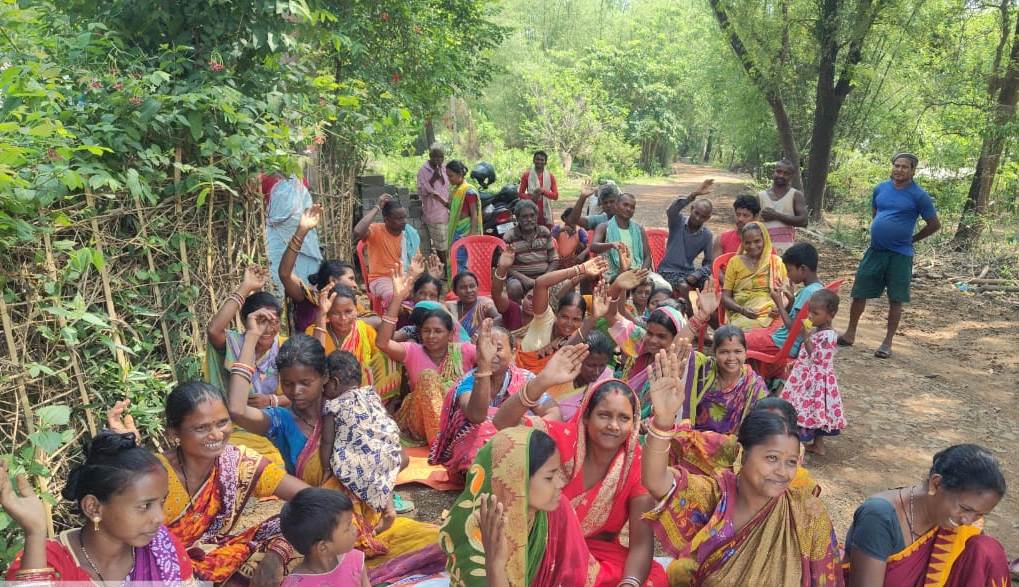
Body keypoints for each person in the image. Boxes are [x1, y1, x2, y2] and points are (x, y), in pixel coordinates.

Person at [642, 347, 843, 586]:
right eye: (771, 458)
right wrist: (663, 421)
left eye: (791, 462)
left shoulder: (807, 514)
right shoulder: (717, 496)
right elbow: (656, 481)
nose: (782, 472)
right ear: (743, 454)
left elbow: (826, 580)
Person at [492, 350, 669, 586]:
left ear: (634, 423)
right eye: (604, 415)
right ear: (586, 417)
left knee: (653, 578)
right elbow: (503, 424)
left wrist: (630, 583)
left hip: (595, 553)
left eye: (624, 419)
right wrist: (542, 381)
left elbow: (641, 542)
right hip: (543, 545)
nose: (614, 426)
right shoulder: (560, 439)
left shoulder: (635, 463)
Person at [107, 381, 308, 585]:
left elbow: (311, 499)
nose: (217, 434)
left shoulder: (238, 463)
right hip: (160, 570)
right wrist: (126, 456)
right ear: (174, 433)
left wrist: (277, 553)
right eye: (202, 428)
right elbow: (119, 533)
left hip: (212, 559)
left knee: (294, 532)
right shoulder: (154, 473)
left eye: (222, 423)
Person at [3, 432, 196, 585]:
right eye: (145, 506)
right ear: (94, 507)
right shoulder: (50, 560)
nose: (159, 517)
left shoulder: (162, 548)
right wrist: (35, 533)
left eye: (161, 502)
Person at [439, 427, 603, 586]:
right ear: (517, 479)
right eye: (549, 477)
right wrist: (495, 563)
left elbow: (576, 577)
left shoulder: (557, 511)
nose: (559, 484)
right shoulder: (475, 532)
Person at [843, 444, 1008, 586]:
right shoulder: (879, 517)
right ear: (936, 484)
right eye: (965, 508)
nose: (967, 520)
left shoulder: (960, 524)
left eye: (979, 514)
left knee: (987, 550)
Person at [839, 152, 941, 359]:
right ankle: (850, 333)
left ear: (913, 171)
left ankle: (887, 342)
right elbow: (876, 213)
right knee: (859, 291)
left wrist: (911, 239)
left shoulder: (919, 195)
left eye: (905, 167)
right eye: (897, 165)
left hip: (900, 255)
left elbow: (934, 224)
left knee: (896, 298)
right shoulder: (880, 188)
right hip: (875, 251)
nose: (899, 170)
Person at [429, 319, 559, 481]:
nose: (491, 354)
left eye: (497, 348)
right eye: (485, 348)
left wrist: (526, 428)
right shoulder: (468, 382)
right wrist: (484, 366)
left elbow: (553, 412)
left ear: (513, 352)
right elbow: (476, 416)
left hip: (516, 445)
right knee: (475, 423)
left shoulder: (525, 379)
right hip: (475, 456)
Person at [377, 267, 478, 443]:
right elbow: (383, 343)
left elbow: (494, 364)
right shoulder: (413, 351)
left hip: (457, 421)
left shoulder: (464, 350)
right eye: (426, 331)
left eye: (438, 331)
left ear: (450, 333)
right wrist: (398, 298)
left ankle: (447, 437)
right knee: (428, 378)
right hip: (418, 423)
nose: (431, 336)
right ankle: (441, 442)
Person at [593, 271, 699, 421]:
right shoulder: (640, 341)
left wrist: (701, 316)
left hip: (651, 423)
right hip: (620, 411)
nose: (653, 340)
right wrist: (617, 287)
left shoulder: (674, 360)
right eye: (650, 333)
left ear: (675, 338)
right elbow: (611, 315)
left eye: (662, 336)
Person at [319, 351, 402, 538]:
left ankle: (362, 529)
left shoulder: (334, 405)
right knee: (382, 476)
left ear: (335, 382)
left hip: (362, 457)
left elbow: (327, 441)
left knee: (349, 473)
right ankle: (388, 510)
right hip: (387, 449)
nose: (323, 390)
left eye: (325, 385)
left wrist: (325, 468)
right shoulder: (371, 395)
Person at [514, 257, 609, 374]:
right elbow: (540, 283)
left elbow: (567, 349)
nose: (569, 324)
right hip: (514, 375)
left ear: (582, 321)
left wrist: (595, 316)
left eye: (575, 319)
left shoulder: (579, 337)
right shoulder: (545, 320)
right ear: (556, 314)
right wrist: (581, 269)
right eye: (564, 317)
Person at [279, 203, 364, 332]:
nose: (355, 285)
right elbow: (285, 274)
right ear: (333, 281)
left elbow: (375, 321)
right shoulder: (310, 300)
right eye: (351, 279)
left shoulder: (354, 306)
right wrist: (302, 230)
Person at [780, 289, 844, 455]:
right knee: (814, 410)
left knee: (809, 409)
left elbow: (817, 357)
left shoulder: (829, 336)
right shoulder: (817, 330)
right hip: (806, 377)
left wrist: (806, 337)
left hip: (814, 382)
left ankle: (797, 444)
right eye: (809, 311)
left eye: (815, 313)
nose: (810, 316)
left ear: (830, 315)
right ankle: (817, 445)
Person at [307, 283, 393, 396]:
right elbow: (314, 364)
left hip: (362, 394)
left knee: (389, 361)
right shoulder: (314, 331)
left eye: (348, 311)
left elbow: (379, 363)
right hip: (325, 395)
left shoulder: (365, 331)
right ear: (328, 312)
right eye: (335, 313)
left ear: (357, 309)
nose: (343, 318)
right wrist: (321, 314)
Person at [744, 242, 823, 361]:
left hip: (782, 344)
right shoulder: (818, 287)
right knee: (753, 331)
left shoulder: (808, 292)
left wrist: (779, 303)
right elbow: (799, 319)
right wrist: (791, 300)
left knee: (737, 340)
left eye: (789, 270)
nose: (787, 274)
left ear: (802, 269)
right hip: (785, 339)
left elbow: (793, 328)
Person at [280, 488, 370, 587]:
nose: (355, 529)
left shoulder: (355, 560)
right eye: (347, 527)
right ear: (323, 547)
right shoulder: (296, 584)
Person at [353, 193, 420, 311]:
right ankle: (392, 326)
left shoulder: (409, 235)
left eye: (404, 217)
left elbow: (417, 263)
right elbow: (358, 232)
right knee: (394, 296)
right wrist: (377, 207)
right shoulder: (375, 230)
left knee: (425, 292)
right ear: (387, 220)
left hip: (405, 276)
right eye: (399, 218)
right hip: (381, 279)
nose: (404, 221)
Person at [659, 179, 715, 311]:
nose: (697, 218)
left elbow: (709, 263)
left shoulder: (707, 235)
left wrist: (697, 274)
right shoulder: (677, 222)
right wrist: (693, 195)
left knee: (710, 285)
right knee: (684, 287)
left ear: (707, 218)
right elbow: (672, 210)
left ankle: (710, 320)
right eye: (696, 213)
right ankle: (692, 321)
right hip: (668, 271)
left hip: (689, 273)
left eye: (703, 216)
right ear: (691, 209)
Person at [721, 221, 788, 329]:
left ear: (765, 240)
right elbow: (725, 297)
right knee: (741, 327)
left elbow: (786, 295)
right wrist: (742, 310)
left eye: (757, 241)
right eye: (747, 242)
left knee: (783, 329)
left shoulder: (776, 262)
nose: (752, 246)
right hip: (743, 312)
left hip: (771, 312)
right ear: (742, 243)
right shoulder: (735, 262)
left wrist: (779, 308)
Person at [545, 330, 615, 421]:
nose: (597, 372)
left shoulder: (605, 378)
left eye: (602, 366)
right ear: (577, 359)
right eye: (591, 365)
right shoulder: (558, 377)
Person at [503, 199, 560, 301]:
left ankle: (555, 314)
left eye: (532, 215)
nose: (529, 219)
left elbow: (554, 260)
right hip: (521, 279)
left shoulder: (544, 232)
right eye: (524, 216)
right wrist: (525, 279)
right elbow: (505, 266)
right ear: (517, 218)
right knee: (514, 287)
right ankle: (519, 314)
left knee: (567, 285)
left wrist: (544, 278)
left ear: (536, 216)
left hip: (545, 275)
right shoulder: (510, 237)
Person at [592, 193, 651, 281]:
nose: (628, 209)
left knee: (664, 287)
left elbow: (647, 256)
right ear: (616, 205)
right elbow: (593, 247)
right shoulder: (604, 227)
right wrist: (610, 245)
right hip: (615, 274)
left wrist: (642, 273)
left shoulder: (639, 229)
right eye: (625, 205)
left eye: (632, 207)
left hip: (638, 273)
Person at [759, 159, 808, 254]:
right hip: (762, 251)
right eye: (779, 171)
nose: (781, 175)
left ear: (792, 176)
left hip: (786, 252)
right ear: (774, 172)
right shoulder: (761, 196)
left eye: (786, 173)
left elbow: (804, 221)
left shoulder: (796, 195)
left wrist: (776, 215)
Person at [445, 160, 483, 272]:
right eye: (448, 176)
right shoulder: (456, 190)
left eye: (451, 176)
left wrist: (471, 234)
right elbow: (453, 209)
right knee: (455, 259)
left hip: (465, 231)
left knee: (460, 260)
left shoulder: (468, 191)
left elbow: (474, 214)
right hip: (457, 230)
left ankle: (461, 285)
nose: (449, 179)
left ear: (460, 174)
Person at [416, 143, 451, 265]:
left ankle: (447, 267)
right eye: (435, 157)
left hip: (447, 212)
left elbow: (448, 186)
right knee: (441, 246)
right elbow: (422, 191)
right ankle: (446, 268)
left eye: (440, 157)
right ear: (430, 156)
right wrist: (433, 178)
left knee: (447, 243)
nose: (438, 160)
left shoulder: (445, 168)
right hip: (435, 214)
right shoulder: (423, 171)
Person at [445, 270, 502, 339]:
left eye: (472, 286)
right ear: (455, 291)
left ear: (477, 287)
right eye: (463, 287)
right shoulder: (450, 307)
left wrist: (480, 332)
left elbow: (499, 318)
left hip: (479, 346)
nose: (468, 290)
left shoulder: (484, 303)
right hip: (456, 347)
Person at [518, 150, 559, 229]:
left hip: (546, 212)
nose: (539, 161)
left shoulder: (550, 176)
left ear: (545, 162)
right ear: (533, 160)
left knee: (546, 235)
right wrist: (532, 197)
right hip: (530, 211)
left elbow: (555, 196)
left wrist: (543, 191)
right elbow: (520, 194)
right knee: (531, 234)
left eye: (542, 160)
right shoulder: (526, 175)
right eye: (537, 159)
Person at [713, 193, 761, 258]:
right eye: (738, 214)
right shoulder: (721, 240)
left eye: (745, 215)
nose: (740, 219)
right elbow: (715, 266)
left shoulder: (763, 243)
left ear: (755, 217)